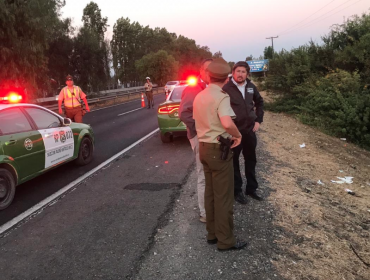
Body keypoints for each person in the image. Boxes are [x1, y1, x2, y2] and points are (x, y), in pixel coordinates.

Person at [193, 58, 247, 251]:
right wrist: (237, 134)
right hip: (219, 150)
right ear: (226, 78)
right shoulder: (221, 97)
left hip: (204, 148)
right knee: (223, 196)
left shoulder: (200, 96)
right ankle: (226, 240)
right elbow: (226, 122)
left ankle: (212, 234)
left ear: (209, 76)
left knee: (210, 194)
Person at [222, 61, 264, 204]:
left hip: (249, 131)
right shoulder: (226, 88)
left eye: (243, 72)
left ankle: (251, 189)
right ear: (233, 72)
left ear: (247, 73)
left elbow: (260, 102)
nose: (240, 74)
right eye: (238, 71)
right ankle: (237, 191)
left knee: (251, 160)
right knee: (234, 162)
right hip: (234, 132)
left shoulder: (251, 87)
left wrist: (258, 120)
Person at [179, 58, 213, 223]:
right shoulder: (194, 89)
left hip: (209, 137)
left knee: (210, 173)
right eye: (207, 70)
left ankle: (210, 207)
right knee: (203, 175)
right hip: (200, 137)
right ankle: (205, 213)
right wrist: (198, 133)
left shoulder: (210, 88)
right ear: (201, 71)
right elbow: (184, 114)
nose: (209, 73)